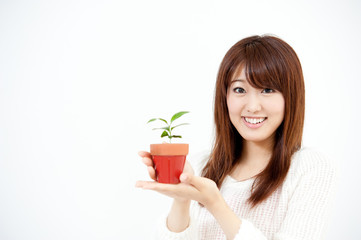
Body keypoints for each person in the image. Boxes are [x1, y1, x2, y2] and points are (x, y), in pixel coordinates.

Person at [136, 35, 337, 240]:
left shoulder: (310, 168)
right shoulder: (200, 166)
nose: (252, 106)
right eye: (239, 89)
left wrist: (216, 204)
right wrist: (182, 198)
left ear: (291, 97)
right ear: (225, 97)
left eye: (267, 90)